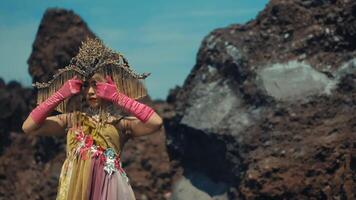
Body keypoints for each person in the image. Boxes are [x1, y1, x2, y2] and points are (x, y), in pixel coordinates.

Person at [22, 38, 163, 200]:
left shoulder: (121, 123)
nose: (89, 91)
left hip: (110, 192)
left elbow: (156, 123)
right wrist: (60, 94)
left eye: (96, 85)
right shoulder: (71, 120)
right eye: (85, 86)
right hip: (75, 192)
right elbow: (29, 127)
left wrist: (118, 97)